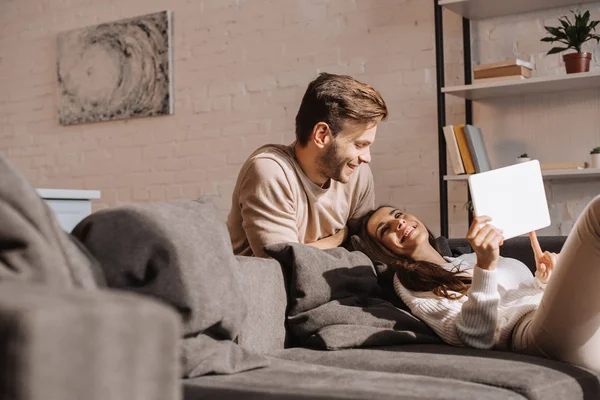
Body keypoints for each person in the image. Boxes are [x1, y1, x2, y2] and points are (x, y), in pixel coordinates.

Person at [356, 197, 600, 373]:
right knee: (595, 215)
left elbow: (523, 295)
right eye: (385, 229)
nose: (398, 222)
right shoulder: (412, 281)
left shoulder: (467, 258)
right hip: (530, 334)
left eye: (398, 214)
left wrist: (545, 280)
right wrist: (485, 267)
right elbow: (474, 337)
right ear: (384, 249)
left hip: (558, 322)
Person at [227, 72, 388, 257]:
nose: (366, 157)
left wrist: (305, 250)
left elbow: (366, 250)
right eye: (359, 145)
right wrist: (340, 237)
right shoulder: (271, 171)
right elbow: (288, 267)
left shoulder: (358, 174)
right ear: (321, 135)